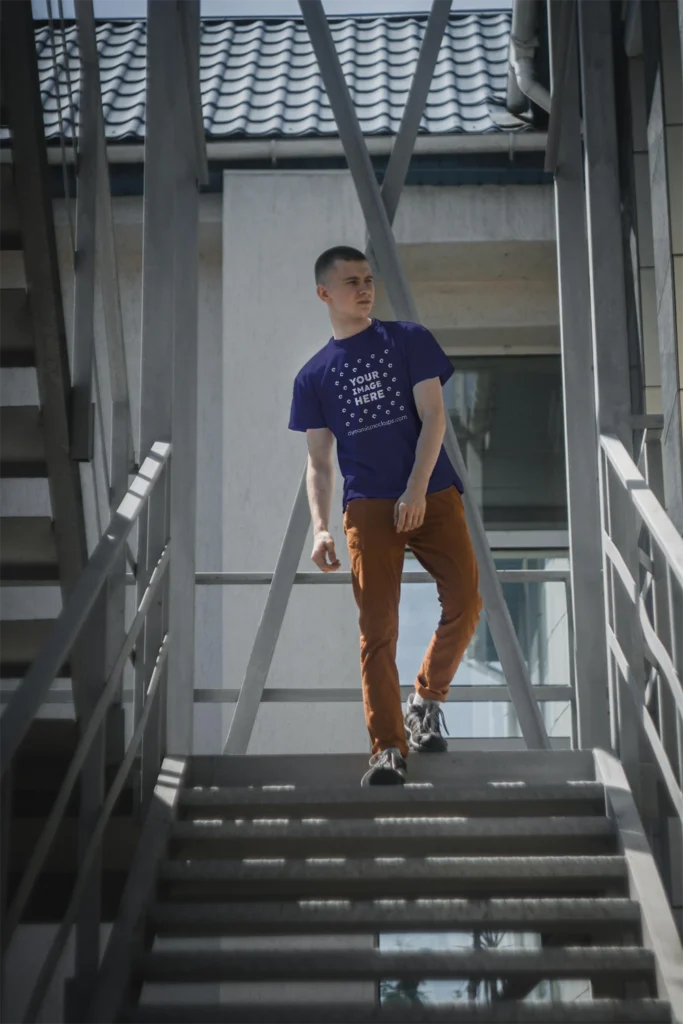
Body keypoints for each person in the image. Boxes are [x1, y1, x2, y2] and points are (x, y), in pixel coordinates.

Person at [289, 245, 482, 786]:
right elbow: (319, 462)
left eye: (368, 279)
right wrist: (321, 526)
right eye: (351, 281)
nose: (365, 288)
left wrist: (417, 489)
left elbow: (434, 418)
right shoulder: (314, 376)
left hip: (433, 491)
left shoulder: (409, 340)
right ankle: (388, 749)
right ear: (325, 293)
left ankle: (426, 698)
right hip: (368, 506)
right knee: (377, 629)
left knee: (466, 601)